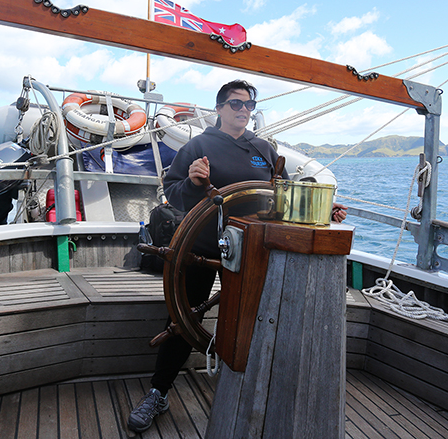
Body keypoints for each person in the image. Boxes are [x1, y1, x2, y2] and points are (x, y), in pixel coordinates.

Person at [127, 80, 347, 433]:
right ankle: (159, 391)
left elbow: (282, 195)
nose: (243, 110)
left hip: (255, 253)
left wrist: (323, 206)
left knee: (261, 321)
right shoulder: (198, 145)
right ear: (219, 108)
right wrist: (194, 181)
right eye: (234, 104)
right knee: (181, 321)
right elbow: (173, 193)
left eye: (248, 104)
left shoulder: (262, 148)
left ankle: (247, 386)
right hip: (201, 248)